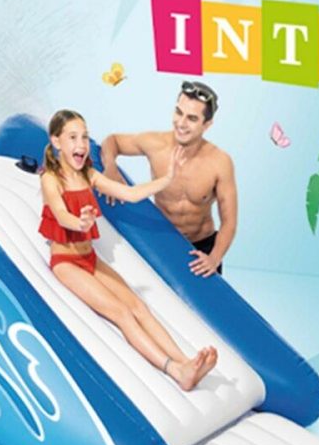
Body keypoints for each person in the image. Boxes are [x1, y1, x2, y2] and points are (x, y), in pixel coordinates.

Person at [40, 110, 217, 391]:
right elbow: (61, 215)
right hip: (66, 263)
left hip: (89, 258)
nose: (81, 144)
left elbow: (130, 194)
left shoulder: (88, 174)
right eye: (73, 137)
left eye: (84, 137)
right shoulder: (51, 179)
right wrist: (80, 222)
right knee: (122, 313)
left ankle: (186, 362)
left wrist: (167, 179)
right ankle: (175, 370)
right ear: (56, 141)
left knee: (139, 307)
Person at [100, 81, 237, 277]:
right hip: (163, 241)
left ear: (207, 125)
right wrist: (110, 167)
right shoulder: (155, 144)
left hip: (202, 246)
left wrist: (214, 258)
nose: (181, 123)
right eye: (178, 112)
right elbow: (112, 141)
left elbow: (229, 221)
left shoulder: (220, 162)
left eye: (192, 118)